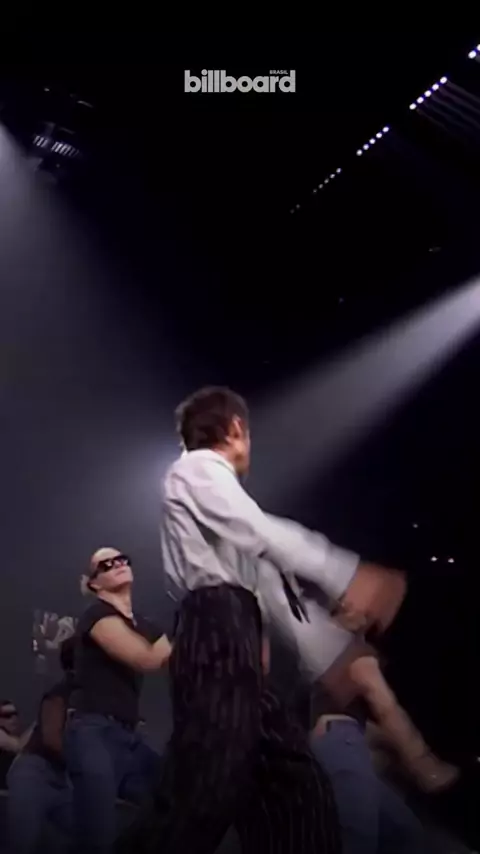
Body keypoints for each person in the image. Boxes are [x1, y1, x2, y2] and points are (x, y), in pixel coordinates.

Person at [122, 385, 411, 854]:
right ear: (236, 428)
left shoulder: (216, 497)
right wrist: (346, 573)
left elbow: (267, 590)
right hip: (215, 628)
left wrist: (306, 649)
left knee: (297, 791)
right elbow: (257, 532)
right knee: (204, 787)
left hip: (234, 639)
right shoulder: (197, 468)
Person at [260, 570, 459, 792]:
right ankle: (419, 760)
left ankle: (410, 758)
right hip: (321, 722)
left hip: (326, 720)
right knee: (365, 678)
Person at [64, 548, 171, 854]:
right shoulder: (95, 615)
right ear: (94, 583)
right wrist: (173, 645)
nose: (118, 564)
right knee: (96, 838)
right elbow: (145, 658)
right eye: (106, 564)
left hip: (128, 737)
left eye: (122, 559)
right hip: (93, 732)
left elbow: (175, 657)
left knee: (170, 802)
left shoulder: (144, 624)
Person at [308, 681, 428, 854]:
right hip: (338, 730)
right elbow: (363, 677)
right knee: (359, 839)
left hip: (347, 735)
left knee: (406, 832)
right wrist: (421, 759)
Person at [7, 637, 76, 853]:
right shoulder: (60, 694)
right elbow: (52, 740)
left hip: (64, 779)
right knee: (21, 842)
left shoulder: (98, 698)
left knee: (89, 837)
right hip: (35, 771)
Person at [0, 700, 34, 790]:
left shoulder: (13, 737)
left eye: (15, 714)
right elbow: (19, 747)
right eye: (7, 715)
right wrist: (39, 723)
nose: (13, 718)